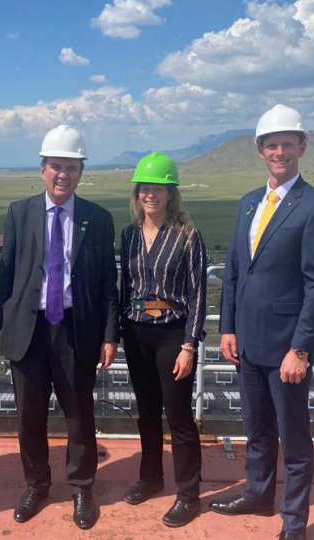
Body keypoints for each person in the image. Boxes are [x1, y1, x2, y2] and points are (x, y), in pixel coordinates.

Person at [210, 104, 314, 540]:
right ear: (260, 150)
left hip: (287, 348)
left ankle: (295, 524)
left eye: (287, 143)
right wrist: (227, 327)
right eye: (271, 144)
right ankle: (259, 494)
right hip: (246, 343)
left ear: (302, 147)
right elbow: (233, 270)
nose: (279, 151)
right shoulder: (249, 202)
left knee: (295, 441)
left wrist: (301, 349)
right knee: (256, 429)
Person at [0, 124, 120, 530]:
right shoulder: (19, 211)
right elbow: (7, 274)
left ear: (81, 171)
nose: (63, 174)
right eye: (56, 167)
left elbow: (107, 282)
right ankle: (37, 485)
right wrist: (5, 329)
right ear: (42, 169)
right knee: (29, 416)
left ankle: (82, 487)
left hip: (75, 330)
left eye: (71, 167)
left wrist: (108, 333)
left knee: (79, 415)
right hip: (27, 333)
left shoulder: (98, 219)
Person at [118, 152, 207, 527]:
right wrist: (120, 332)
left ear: (171, 194)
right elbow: (125, 287)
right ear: (137, 194)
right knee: (147, 413)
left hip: (173, 334)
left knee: (180, 416)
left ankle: (188, 495)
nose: (150, 195)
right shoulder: (129, 234)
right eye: (144, 189)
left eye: (158, 189)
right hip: (137, 333)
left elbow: (199, 291)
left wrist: (190, 345)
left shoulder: (187, 236)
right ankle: (151, 477)